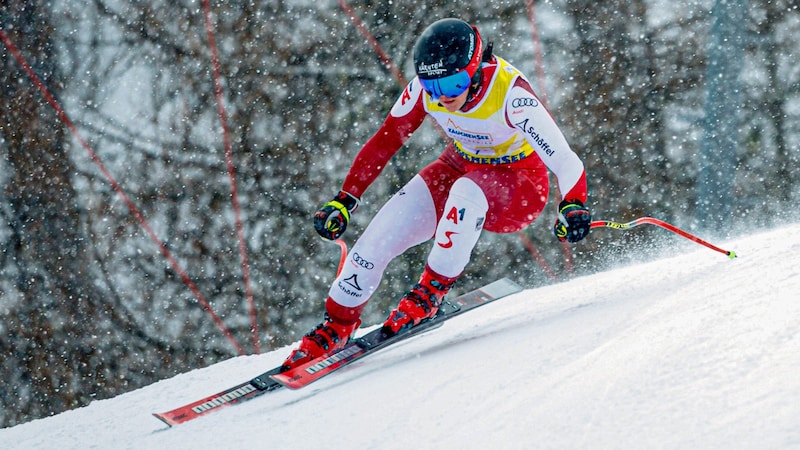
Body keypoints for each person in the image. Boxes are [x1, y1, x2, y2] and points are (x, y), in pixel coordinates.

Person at [282, 18, 591, 369]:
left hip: (518, 185)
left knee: (466, 190)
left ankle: (429, 293)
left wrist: (573, 205)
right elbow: (385, 142)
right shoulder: (424, 92)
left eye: (454, 83)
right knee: (379, 235)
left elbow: (565, 160)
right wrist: (345, 198)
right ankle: (336, 325)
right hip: (460, 165)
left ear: (474, 71)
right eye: (433, 87)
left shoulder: (511, 94)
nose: (444, 97)